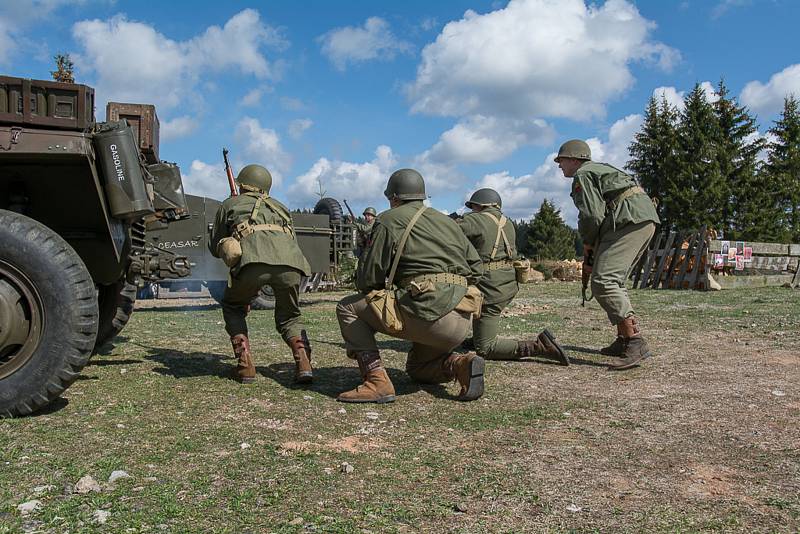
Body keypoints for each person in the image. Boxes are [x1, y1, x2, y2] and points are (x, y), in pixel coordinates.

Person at [335, 169, 485, 403]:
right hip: (461, 319)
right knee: (418, 368)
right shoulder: (447, 222)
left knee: (347, 307)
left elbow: (368, 280)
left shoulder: (387, 219)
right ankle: (460, 364)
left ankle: (376, 381)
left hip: (428, 314)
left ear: (394, 197)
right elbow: (476, 268)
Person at [554, 140, 660, 370]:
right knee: (614, 280)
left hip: (628, 220)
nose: (559, 166)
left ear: (573, 159)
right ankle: (624, 339)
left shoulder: (583, 174)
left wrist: (589, 243)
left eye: (561, 161)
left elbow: (592, 215)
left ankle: (634, 340)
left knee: (604, 281)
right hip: (637, 218)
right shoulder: (599, 169)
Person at [209, 164, 313, 384]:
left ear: (242, 184)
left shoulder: (230, 204)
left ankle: (245, 365)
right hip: (291, 265)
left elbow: (213, 246)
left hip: (251, 264)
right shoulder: (281, 207)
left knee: (233, 306)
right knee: (290, 317)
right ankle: (304, 363)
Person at [458, 188, 568, 365]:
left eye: (473, 207)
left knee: (485, 348)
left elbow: (448, 232)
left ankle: (539, 346)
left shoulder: (474, 220)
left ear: (479, 205)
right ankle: (480, 335)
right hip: (508, 284)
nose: (472, 210)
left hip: (490, 288)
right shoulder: (506, 222)